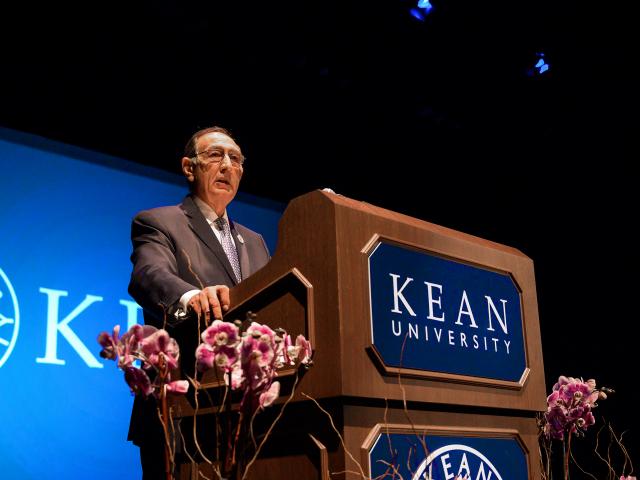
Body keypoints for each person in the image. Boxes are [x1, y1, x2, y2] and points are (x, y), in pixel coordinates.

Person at [126, 126, 271, 479]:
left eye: (235, 159)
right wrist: (191, 296)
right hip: (182, 405)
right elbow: (148, 274)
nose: (227, 166)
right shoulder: (158, 222)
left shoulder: (254, 241)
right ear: (189, 167)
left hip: (248, 413)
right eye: (215, 156)